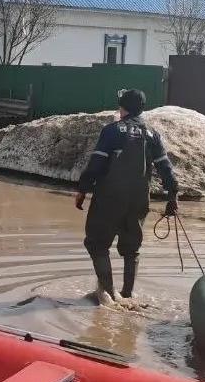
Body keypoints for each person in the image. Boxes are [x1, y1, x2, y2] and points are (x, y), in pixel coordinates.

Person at [74, 89, 178, 301]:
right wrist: (172, 197)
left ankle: (108, 295)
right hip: (139, 200)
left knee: (96, 244)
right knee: (131, 249)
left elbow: (96, 164)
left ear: (123, 108)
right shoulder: (153, 135)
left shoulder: (112, 131)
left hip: (109, 199)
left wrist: (83, 189)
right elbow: (165, 169)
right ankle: (127, 296)